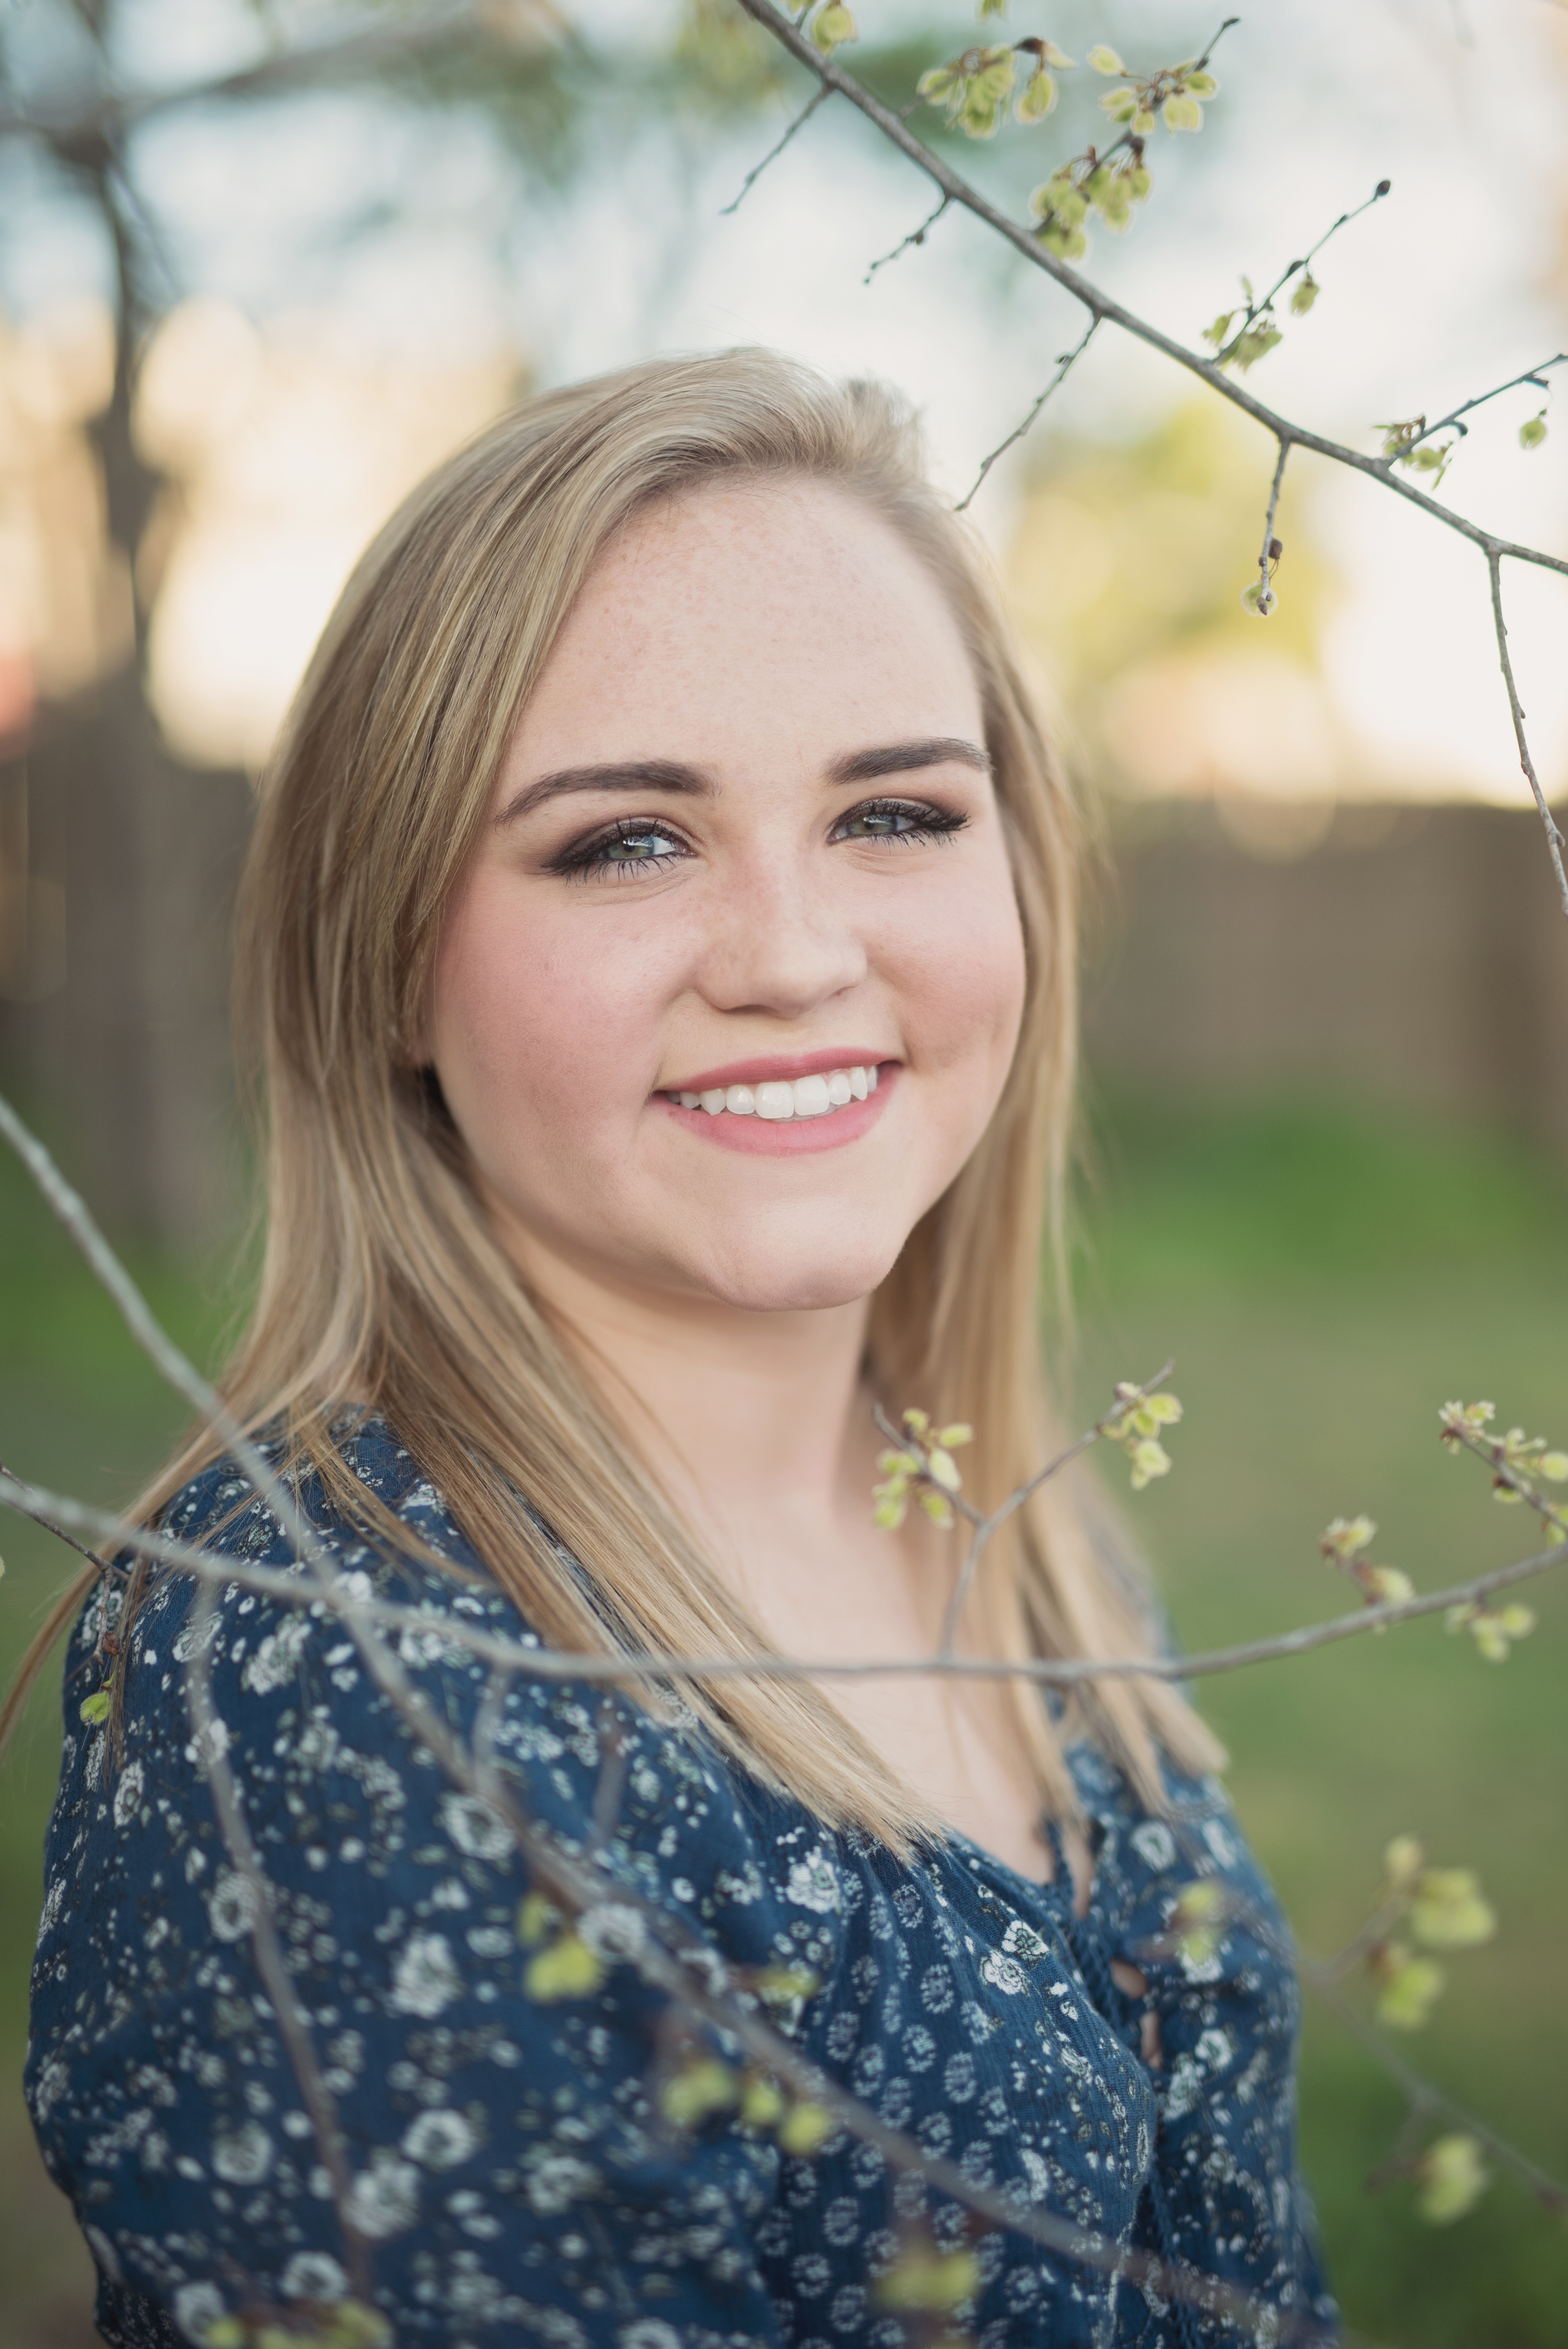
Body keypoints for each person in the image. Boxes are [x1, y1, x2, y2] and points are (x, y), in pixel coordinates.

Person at [26, 351, 1336, 2348]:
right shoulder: (338, 1671)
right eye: (628, 840)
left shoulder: (1008, 1523)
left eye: (894, 810)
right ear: (386, 956)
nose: (795, 953)